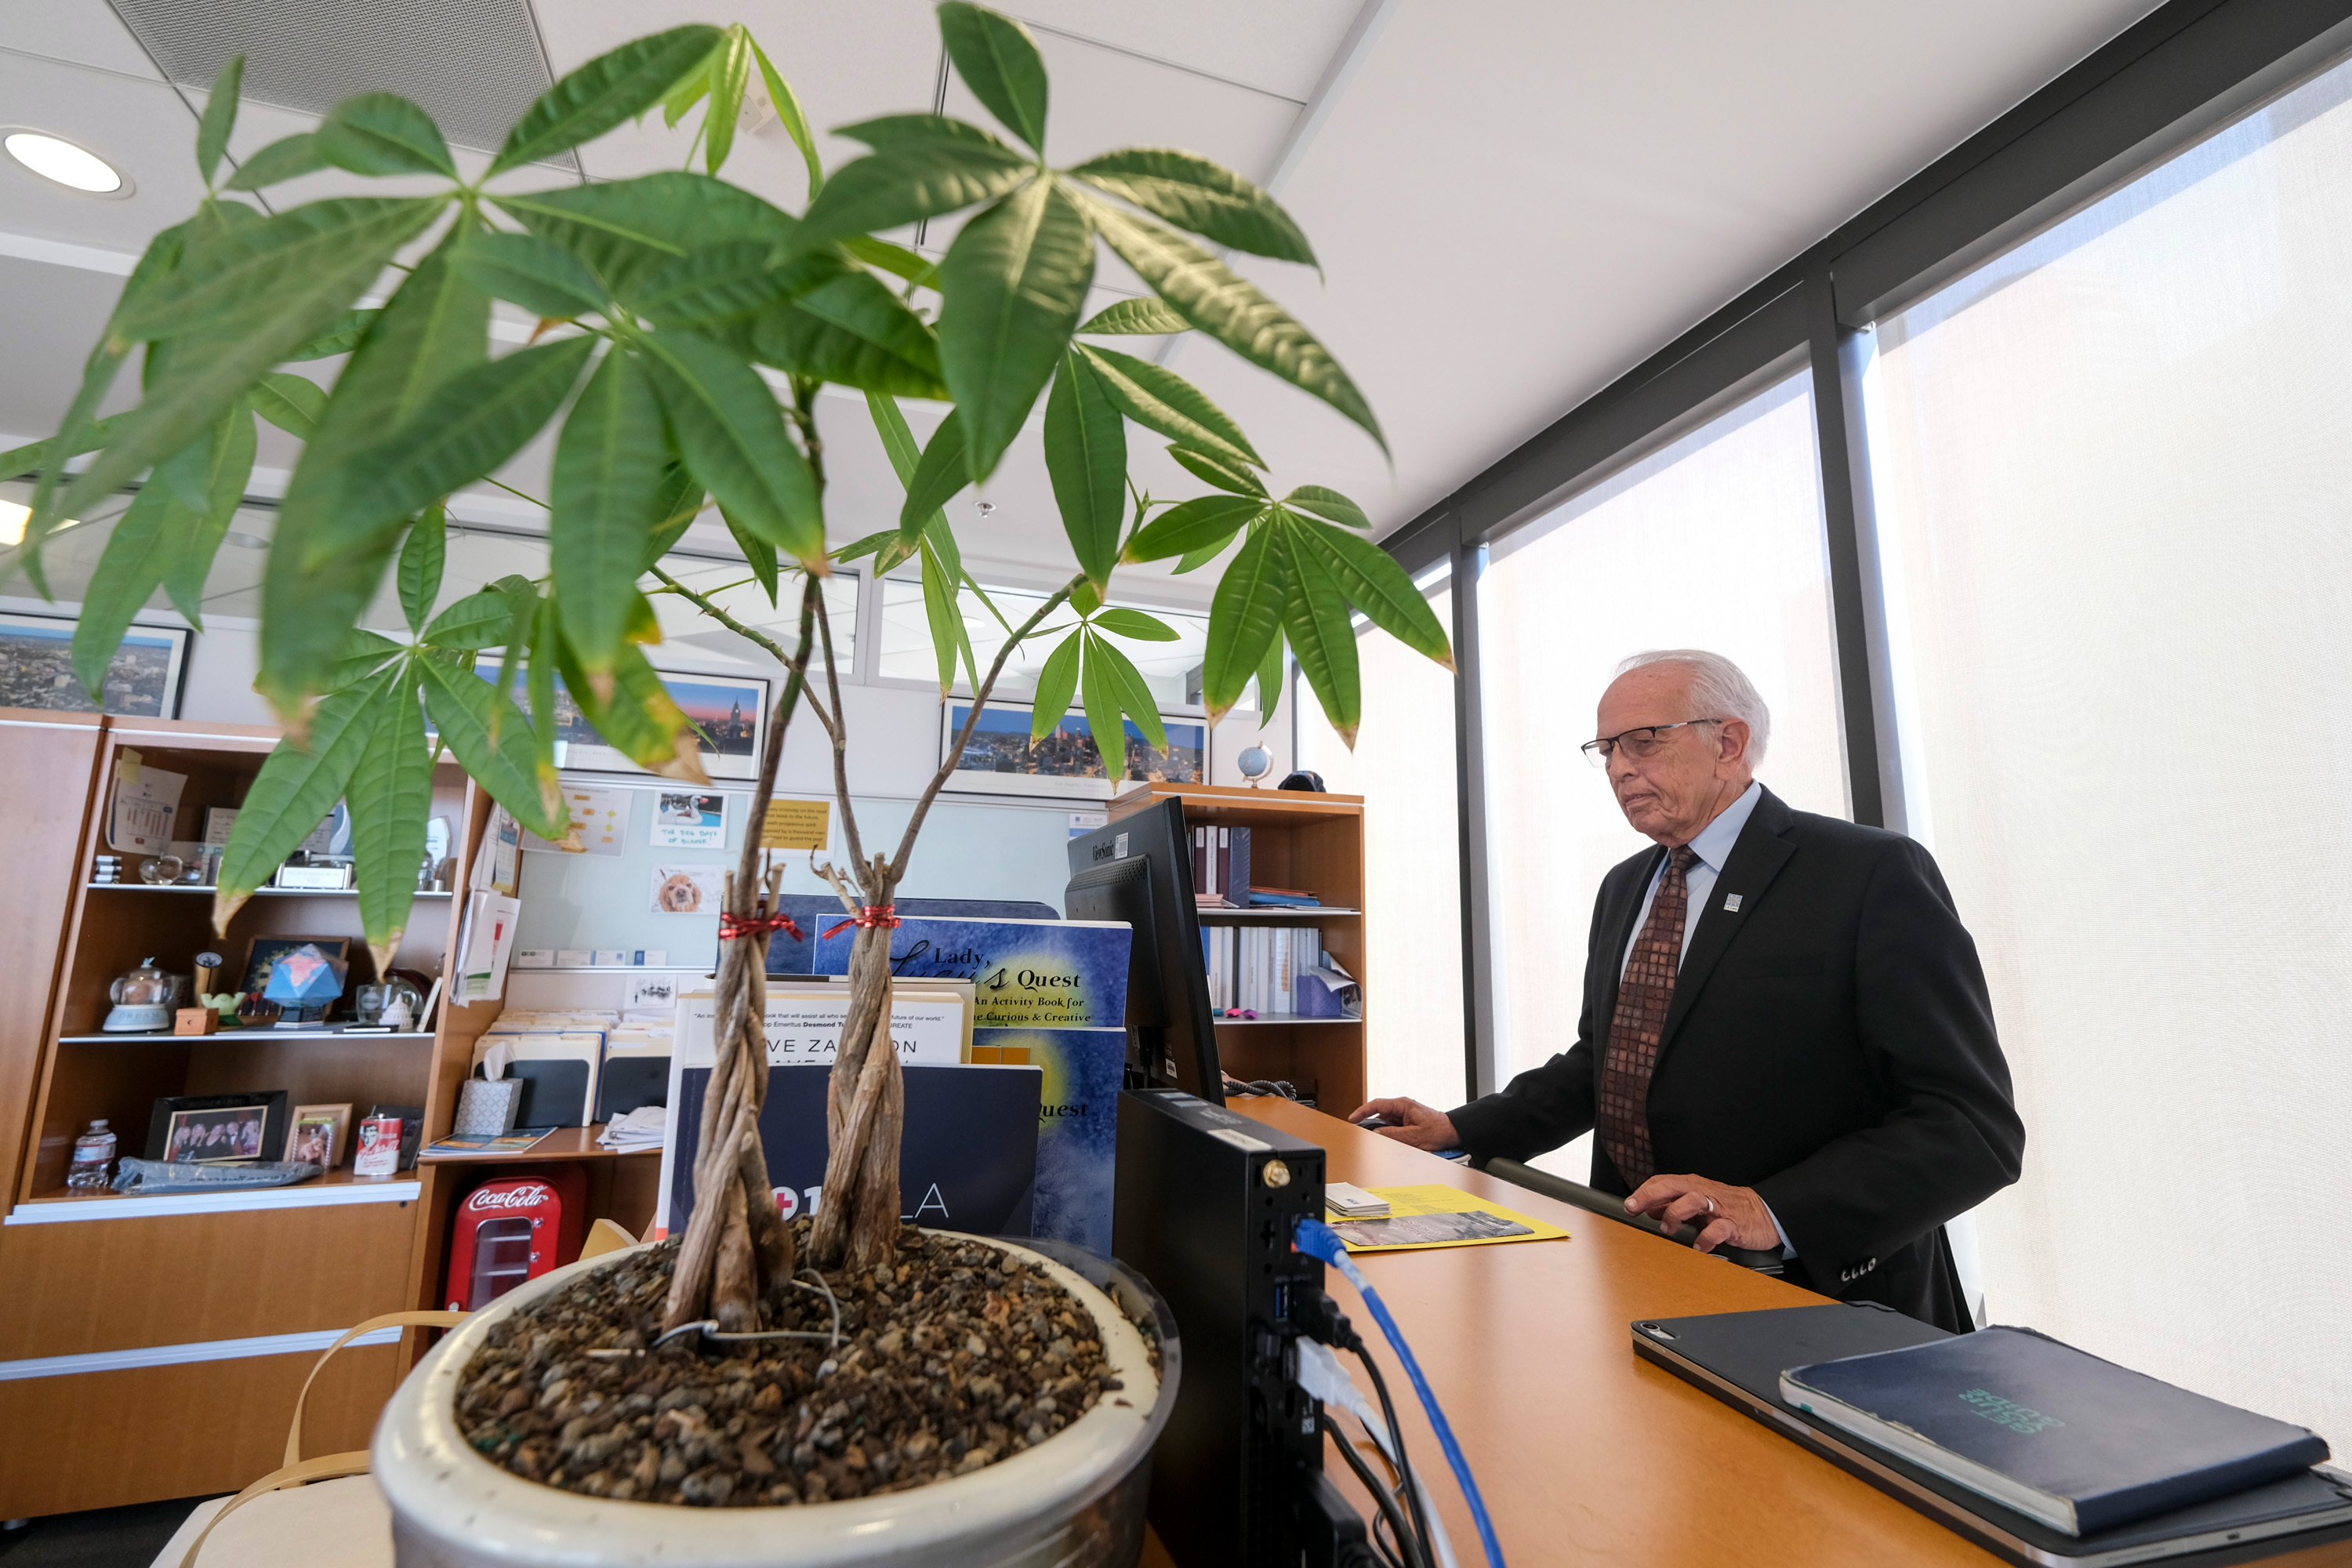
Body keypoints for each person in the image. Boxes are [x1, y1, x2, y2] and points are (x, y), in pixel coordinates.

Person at [1354, 650, 2024, 1332]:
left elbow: (1970, 1127)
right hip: (1638, 1271)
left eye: (1643, 741)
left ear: (1729, 744)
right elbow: (1608, 1064)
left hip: (1818, 1302)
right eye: (1607, 748)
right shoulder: (1625, 887)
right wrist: (1460, 1128)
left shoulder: (1867, 874)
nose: (1618, 768)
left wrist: (1774, 1209)